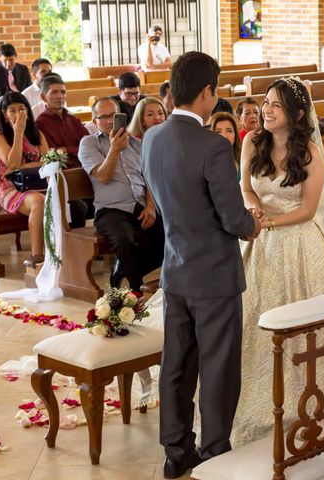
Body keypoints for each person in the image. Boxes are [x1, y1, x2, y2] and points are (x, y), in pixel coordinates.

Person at [141, 51, 260, 479]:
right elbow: (232, 218)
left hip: (175, 271)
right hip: (215, 276)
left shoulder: (153, 137)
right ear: (208, 92)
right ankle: (215, 453)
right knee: (218, 368)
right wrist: (253, 225)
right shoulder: (212, 145)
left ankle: (176, 452)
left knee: (177, 363)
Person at [232, 77, 324, 446]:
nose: (266, 110)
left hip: (300, 243)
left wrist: (267, 221)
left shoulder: (310, 153)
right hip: (262, 244)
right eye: (266, 102)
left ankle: (313, 393)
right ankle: (260, 396)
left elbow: (305, 210)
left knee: (307, 325)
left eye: (276, 105)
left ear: (298, 114)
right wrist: (254, 209)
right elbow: (245, 187)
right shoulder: (252, 142)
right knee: (258, 318)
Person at [78, 97, 164, 292]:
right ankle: (135, 291)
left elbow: (148, 177)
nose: (110, 121)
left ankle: (125, 271)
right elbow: (102, 176)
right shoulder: (89, 143)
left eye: (114, 116)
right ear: (94, 121)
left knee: (172, 234)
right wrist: (115, 149)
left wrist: (151, 206)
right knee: (125, 240)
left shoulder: (136, 143)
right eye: (104, 117)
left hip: (140, 205)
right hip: (110, 209)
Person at [0, 93, 49, 267]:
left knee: (60, 198)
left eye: (21, 109)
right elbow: (12, 164)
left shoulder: (36, 133)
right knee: (39, 201)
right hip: (11, 188)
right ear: (4, 115)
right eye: (12, 110)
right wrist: (18, 133)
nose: (18, 114)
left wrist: (25, 167)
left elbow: (49, 160)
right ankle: (37, 256)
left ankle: (58, 253)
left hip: (38, 182)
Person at [36, 74, 90, 228]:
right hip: (62, 177)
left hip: (84, 171)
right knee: (79, 208)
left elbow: (88, 146)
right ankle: (75, 248)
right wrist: (75, 150)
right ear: (43, 96)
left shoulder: (74, 120)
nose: (60, 96)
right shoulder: (40, 124)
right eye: (54, 92)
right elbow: (52, 155)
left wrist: (67, 149)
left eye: (63, 92)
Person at [208, 112, 241, 179]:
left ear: (235, 135)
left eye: (229, 131)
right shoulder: (204, 164)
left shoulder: (243, 160)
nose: (224, 136)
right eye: (218, 132)